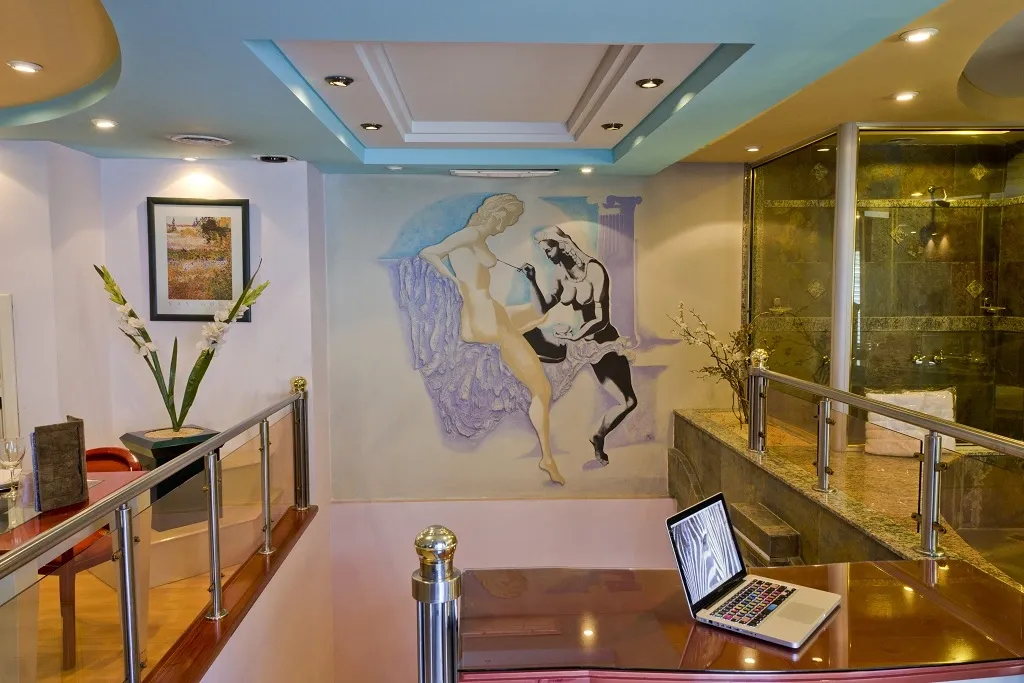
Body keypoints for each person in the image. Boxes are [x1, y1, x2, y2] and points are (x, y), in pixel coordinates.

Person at [419, 195, 565, 485]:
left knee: (538, 315)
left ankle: (533, 338)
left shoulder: (475, 238)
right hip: (485, 319)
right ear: (496, 213)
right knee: (541, 388)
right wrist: (453, 282)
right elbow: (429, 252)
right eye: (507, 220)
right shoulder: (470, 234)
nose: (505, 226)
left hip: (488, 313)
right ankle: (547, 457)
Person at [522, 227, 638, 465]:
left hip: (603, 343)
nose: (547, 256)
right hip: (576, 343)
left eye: (549, 250)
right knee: (530, 344)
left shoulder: (594, 270)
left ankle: (599, 436)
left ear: (562, 244)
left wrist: (576, 336)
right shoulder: (558, 274)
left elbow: (601, 320)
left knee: (629, 401)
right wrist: (532, 280)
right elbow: (543, 308)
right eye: (544, 252)